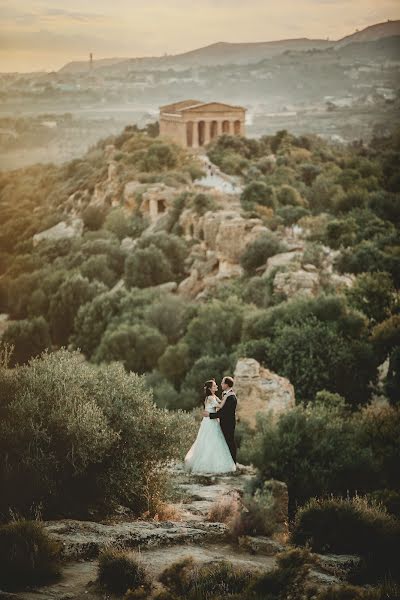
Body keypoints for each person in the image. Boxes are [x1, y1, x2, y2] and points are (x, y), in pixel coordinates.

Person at [184, 379, 236, 474]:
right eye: (214, 385)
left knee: (214, 441)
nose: (217, 386)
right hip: (209, 422)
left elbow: (221, 405)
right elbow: (220, 406)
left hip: (213, 420)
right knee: (209, 441)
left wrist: (226, 397)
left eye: (217, 384)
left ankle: (215, 461)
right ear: (210, 388)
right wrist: (226, 397)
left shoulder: (213, 396)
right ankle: (207, 464)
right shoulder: (210, 398)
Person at [204, 376, 237, 463]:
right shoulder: (225, 395)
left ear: (226, 384)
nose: (221, 384)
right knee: (223, 443)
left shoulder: (231, 397)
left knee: (230, 442)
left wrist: (210, 415)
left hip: (228, 423)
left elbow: (224, 413)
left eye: (222, 383)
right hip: (222, 423)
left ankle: (233, 462)